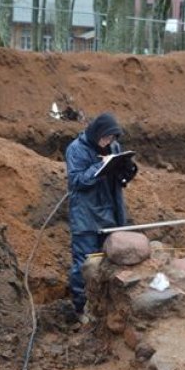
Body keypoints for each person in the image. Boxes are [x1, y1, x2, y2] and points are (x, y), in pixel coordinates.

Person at [65, 113, 138, 322]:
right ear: (97, 133)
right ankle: (81, 309)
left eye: (112, 138)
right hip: (86, 216)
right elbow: (77, 181)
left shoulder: (113, 147)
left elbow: (119, 177)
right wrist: (101, 166)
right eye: (106, 138)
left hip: (110, 212)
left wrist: (126, 168)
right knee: (85, 263)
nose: (109, 142)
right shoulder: (76, 149)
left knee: (110, 262)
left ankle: (106, 306)